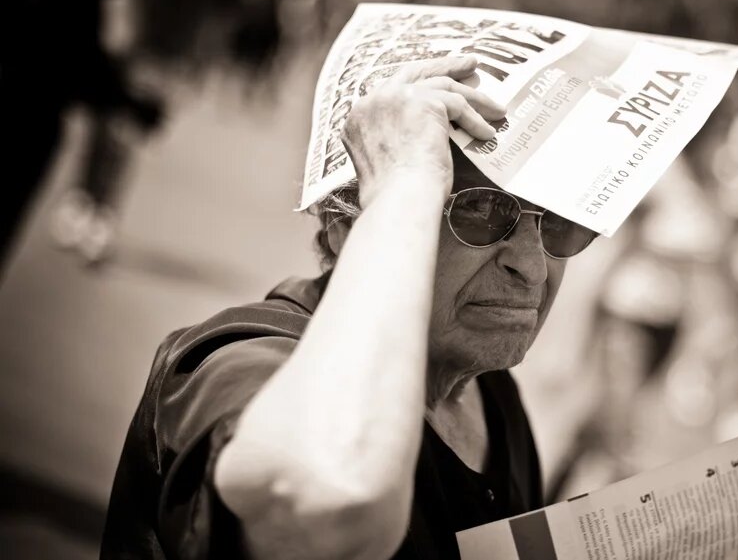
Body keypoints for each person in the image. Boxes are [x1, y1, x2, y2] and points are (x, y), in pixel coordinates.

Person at [100, 55, 599, 559]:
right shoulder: (245, 362)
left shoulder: (490, 393)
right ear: (349, 225)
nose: (533, 268)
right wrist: (409, 181)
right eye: (480, 208)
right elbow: (326, 508)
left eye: (558, 219)